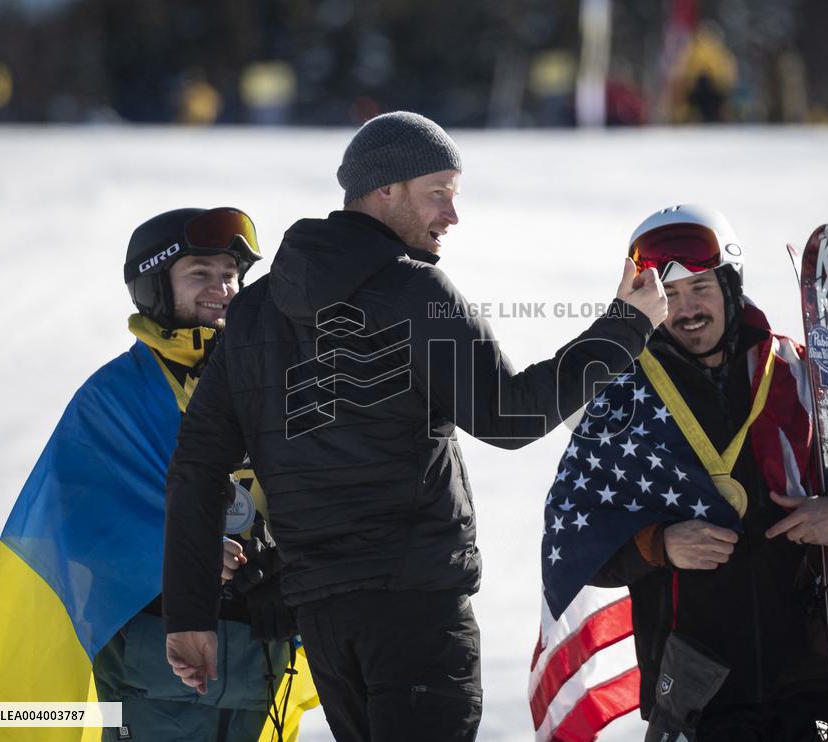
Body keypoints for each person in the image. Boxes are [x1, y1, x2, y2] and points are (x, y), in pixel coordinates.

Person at [160, 110, 668, 742]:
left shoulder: (257, 306)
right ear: (386, 191)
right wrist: (624, 328)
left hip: (323, 619)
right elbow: (508, 415)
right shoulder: (413, 290)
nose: (452, 216)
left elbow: (197, 466)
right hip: (414, 608)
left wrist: (189, 615)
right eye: (439, 195)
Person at [538, 204, 828, 741]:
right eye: (669, 296)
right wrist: (659, 545)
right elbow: (573, 535)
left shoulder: (797, 377)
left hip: (811, 681)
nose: (686, 309)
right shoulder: (622, 401)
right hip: (696, 693)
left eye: (700, 287)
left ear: (730, 284)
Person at [92, 207, 318, 741]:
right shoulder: (118, 395)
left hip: (257, 660)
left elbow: (317, 497)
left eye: (230, 275)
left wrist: (288, 566)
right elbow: (73, 533)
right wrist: (181, 554)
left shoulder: (271, 386)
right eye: (199, 274)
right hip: (149, 666)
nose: (220, 288)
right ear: (154, 288)